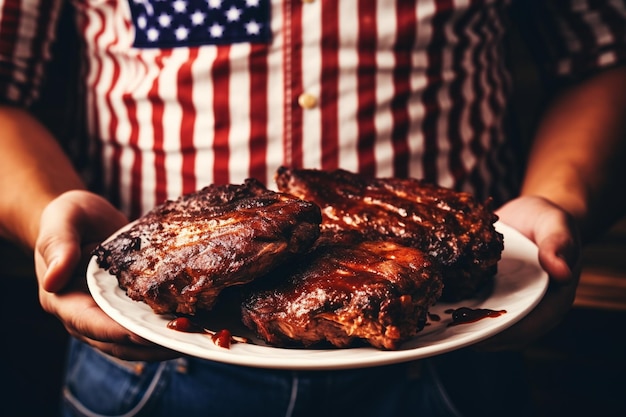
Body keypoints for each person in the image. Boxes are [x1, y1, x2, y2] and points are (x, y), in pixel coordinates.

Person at [1, 0, 625, 416]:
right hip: (147, 352)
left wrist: (560, 201)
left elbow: (603, 59)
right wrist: (49, 212)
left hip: (458, 341)